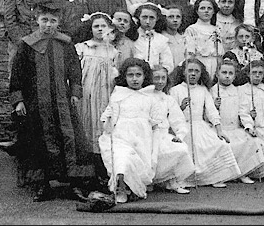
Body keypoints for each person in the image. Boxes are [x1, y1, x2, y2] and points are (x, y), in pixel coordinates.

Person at [8, 0, 94, 202]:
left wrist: (75, 92)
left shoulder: (65, 43)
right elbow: (17, 74)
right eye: (44, 20)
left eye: (53, 21)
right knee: (39, 140)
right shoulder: (27, 45)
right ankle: (42, 185)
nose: (48, 25)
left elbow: (75, 70)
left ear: (59, 22)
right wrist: (18, 100)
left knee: (71, 139)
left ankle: (74, 184)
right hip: (36, 101)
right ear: (37, 19)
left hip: (62, 100)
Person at [168, 57, 241, 188]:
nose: (193, 74)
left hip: (200, 125)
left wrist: (219, 130)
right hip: (182, 127)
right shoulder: (175, 90)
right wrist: (181, 107)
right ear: (183, 72)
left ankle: (213, 177)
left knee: (219, 144)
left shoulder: (203, 90)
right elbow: (171, 114)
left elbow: (211, 111)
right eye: (190, 70)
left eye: (197, 71)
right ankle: (185, 180)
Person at [98, 58, 160, 203]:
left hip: (142, 139)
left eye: (138, 75)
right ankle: (119, 186)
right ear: (124, 77)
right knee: (122, 159)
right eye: (130, 75)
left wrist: (155, 149)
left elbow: (156, 125)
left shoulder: (150, 97)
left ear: (145, 77)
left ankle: (130, 186)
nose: (134, 79)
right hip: (121, 136)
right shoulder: (118, 95)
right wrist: (107, 119)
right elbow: (107, 122)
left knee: (136, 165)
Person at [74, 12, 120, 184]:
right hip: (87, 91)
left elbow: (116, 74)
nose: (100, 29)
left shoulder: (113, 51)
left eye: (104, 26)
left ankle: (102, 169)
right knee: (87, 122)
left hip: (106, 92)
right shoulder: (83, 47)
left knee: (102, 124)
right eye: (96, 26)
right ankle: (85, 170)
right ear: (91, 28)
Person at [210, 59, 264, 184]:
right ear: (217, 74)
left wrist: (248, 126)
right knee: (222, 145)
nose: (227, 76)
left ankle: (242, 171)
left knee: (250, 142)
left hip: (235, 128)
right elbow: (208, 114)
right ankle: (219, 176)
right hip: (219, 129)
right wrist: (215, 105)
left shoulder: (238, 91)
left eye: (231, 73)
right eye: (224, 72)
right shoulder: (213, 91)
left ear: (235, 75)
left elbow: (243, 111)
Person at [149, 65, 195, 194]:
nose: (160, 81)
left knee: (180, 148)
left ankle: (171, 181)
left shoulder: (168, 99)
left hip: (163, 135)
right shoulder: (145, 97)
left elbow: (178, 119)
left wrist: (179, 134)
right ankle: (150, 181)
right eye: (156, 78)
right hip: (147, 134)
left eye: (163, 78)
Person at [183, 0, 226, 77]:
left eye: (209, 8)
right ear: (197, 11)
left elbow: (221, 53)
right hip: (200, 63)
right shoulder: (192, 29)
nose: (206, 11)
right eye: (202, 8)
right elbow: (190, 53)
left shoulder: (217, 29)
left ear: (213, 11)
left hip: (215, 65)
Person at [132, 3, 174, 73]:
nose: (148, 21)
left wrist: (160, 70)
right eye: (144, 17)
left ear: (157, 19)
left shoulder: (161, 40)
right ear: (139, 17)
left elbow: (168, 65)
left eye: (152, 18)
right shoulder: (132, 36)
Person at [162, 4, 186, 68]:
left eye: (178, 17)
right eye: (171, 17)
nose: (175, 20)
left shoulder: (184, 38)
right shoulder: (161, 38)